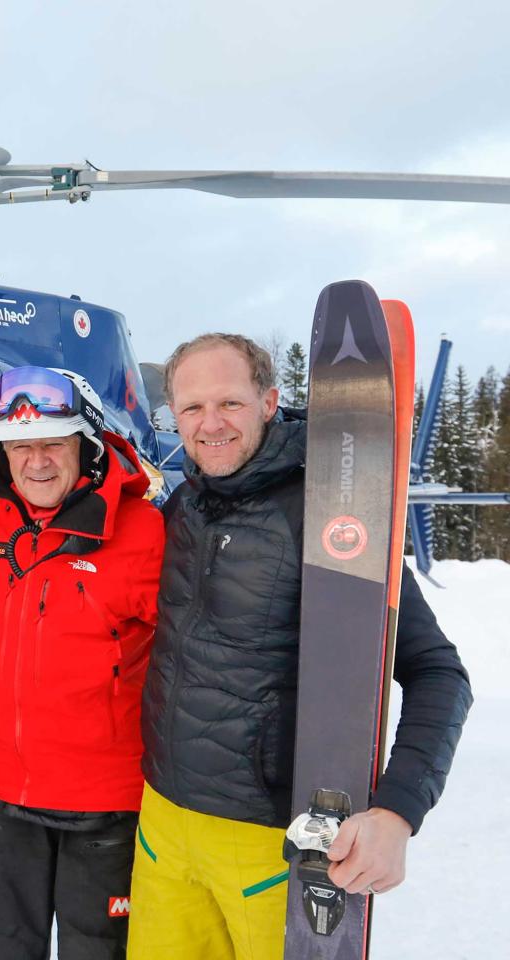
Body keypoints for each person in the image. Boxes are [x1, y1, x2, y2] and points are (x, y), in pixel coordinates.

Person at [128, 333, 473, 960]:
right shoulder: (184, 503)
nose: (210, 425)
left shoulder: (330, 515)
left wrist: (397, 813)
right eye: (191, 408)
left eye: (230, 403)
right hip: (162, 825)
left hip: (266, 840)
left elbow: (439, 673)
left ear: (269, 400)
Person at [0, 366, 165, 960]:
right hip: (7, 800)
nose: (36, 462)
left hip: (107, 809)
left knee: (100, 952)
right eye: (20, 447)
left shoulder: (145, 533)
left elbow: (207, 651)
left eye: (52, 444)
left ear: (85, 447)